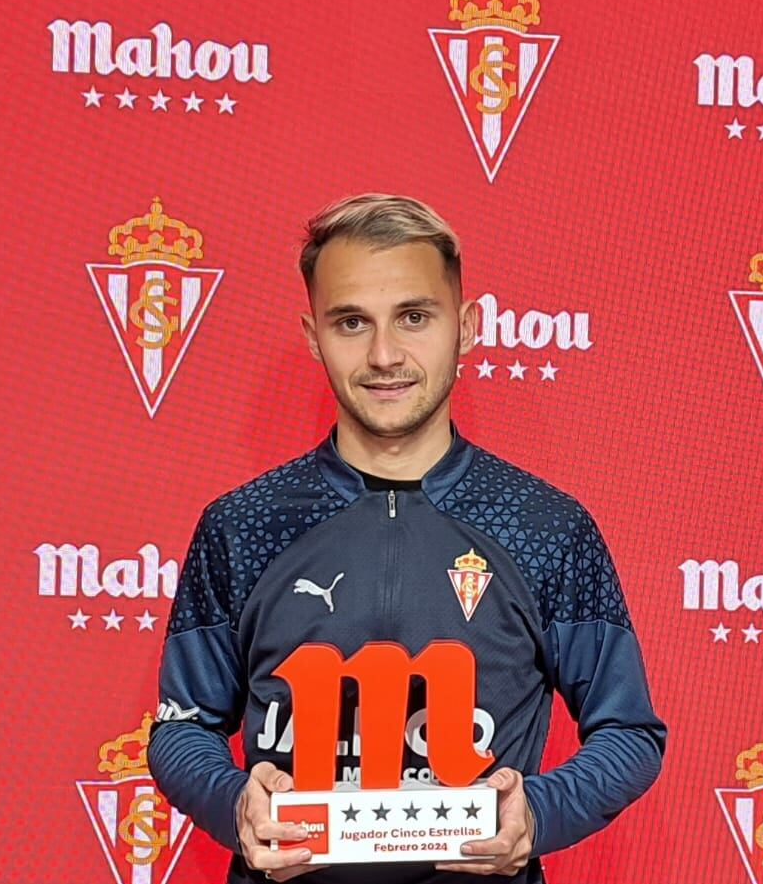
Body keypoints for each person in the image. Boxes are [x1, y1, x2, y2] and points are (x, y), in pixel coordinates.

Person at [148, 194, 665, 883]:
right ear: (312, 335)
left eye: (414, 317)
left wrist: (536, 813)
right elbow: (182, 727)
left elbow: (630, 731)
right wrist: (235, 802)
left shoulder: (548, 527)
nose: (384, 354)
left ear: (467, 326)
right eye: (351, 321)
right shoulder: (243, 525)